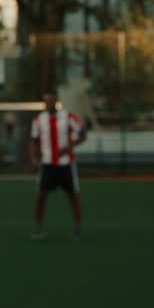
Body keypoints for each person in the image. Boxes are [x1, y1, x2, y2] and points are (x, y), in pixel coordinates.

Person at [28, 91, 87, 241]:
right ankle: (38, 229)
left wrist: (69, 147)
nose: (48, 103)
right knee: (41, 197)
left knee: (73, 196)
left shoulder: (68, 117)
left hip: (66, 164)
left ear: (56, 101)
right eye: (45, 101)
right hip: (47, 164)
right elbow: (34, 141)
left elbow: (83, 134)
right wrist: (34, 158)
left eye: (50, 100)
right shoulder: (38, 120)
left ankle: (77, 229)